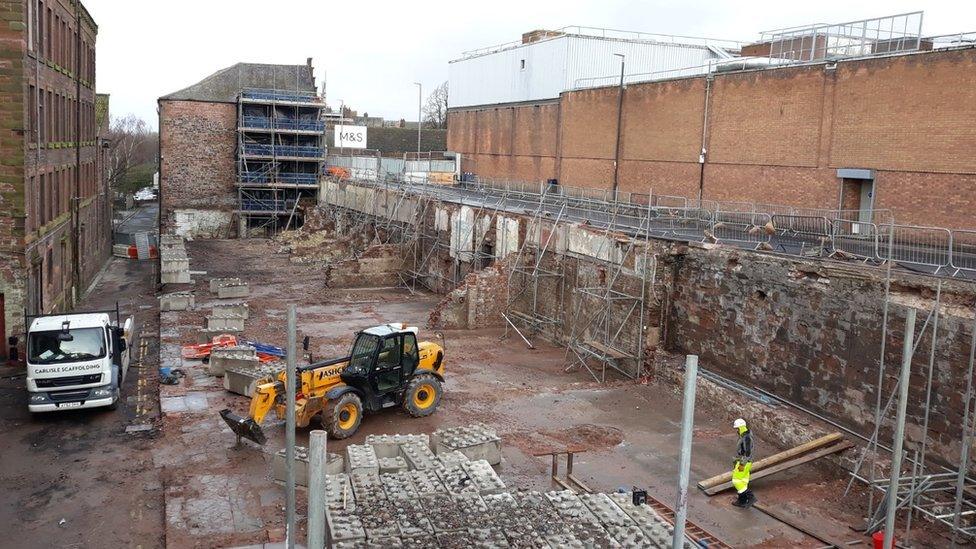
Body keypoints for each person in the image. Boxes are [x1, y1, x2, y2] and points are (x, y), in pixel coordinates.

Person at [731, 418, 756, 507]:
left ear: (741, 427)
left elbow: (747, 452)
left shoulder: (747, 438)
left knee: (736, 480)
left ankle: (750, 496)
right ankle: (742, 500)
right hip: (745, 462)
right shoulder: (745, 436)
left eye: (737, 428)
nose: (736, 430)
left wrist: (742, 464)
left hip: (744, 462)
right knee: (743, 481)